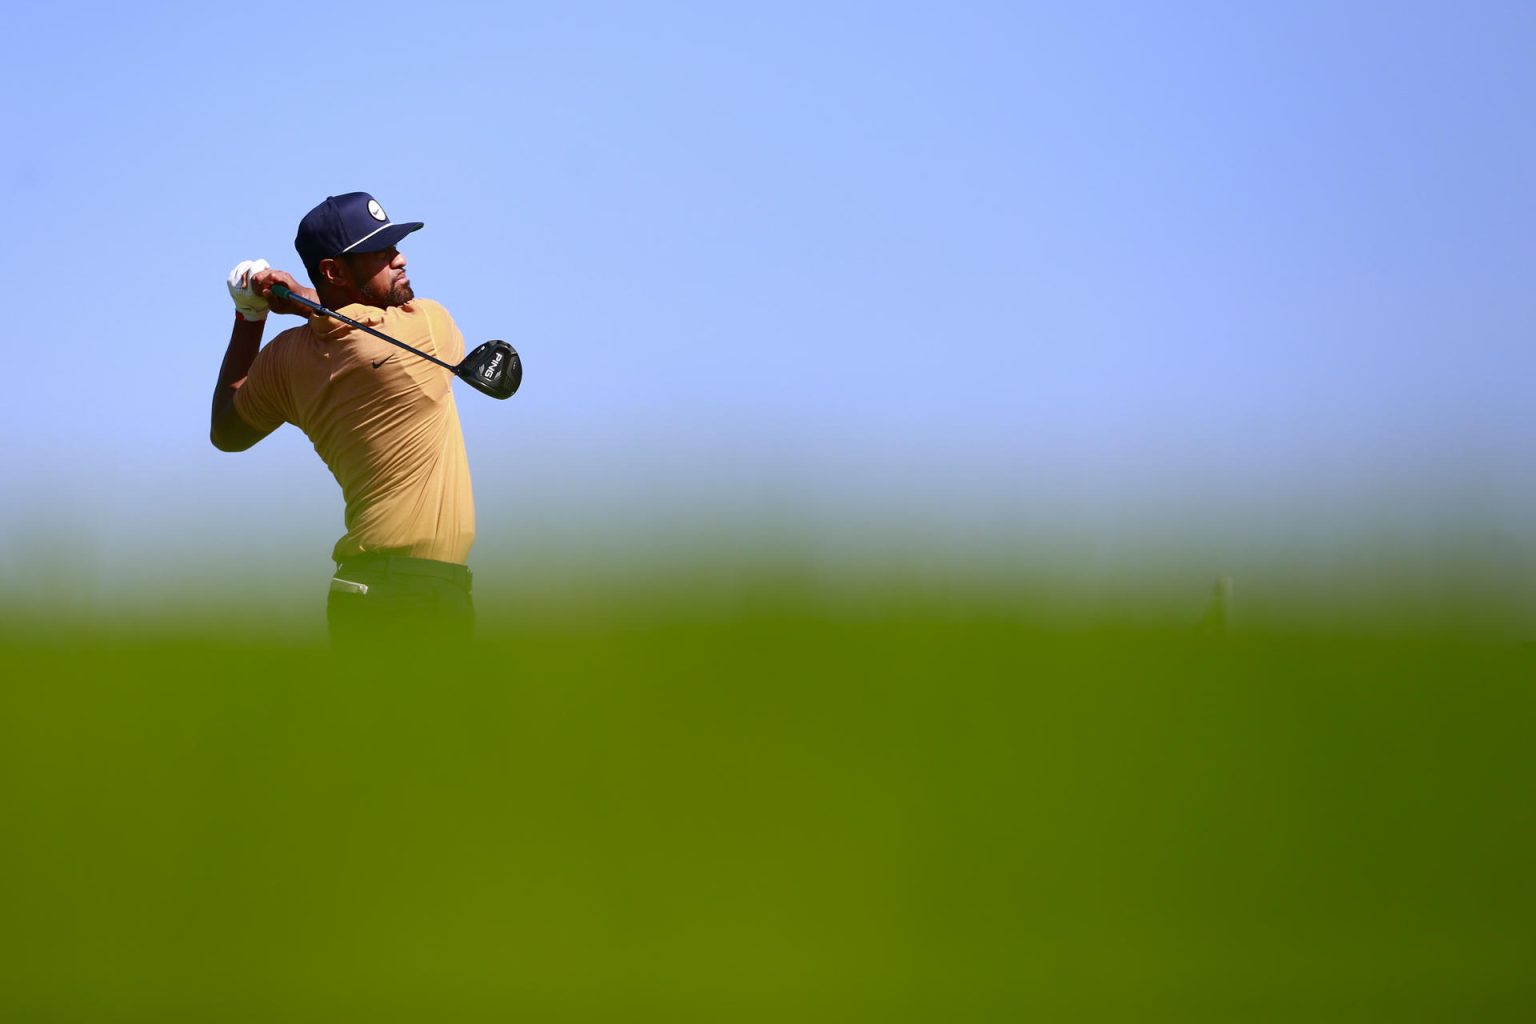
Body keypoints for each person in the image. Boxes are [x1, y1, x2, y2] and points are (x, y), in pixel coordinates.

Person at [211, 191, 477, 646]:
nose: (400, 258)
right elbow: (350, 326)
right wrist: (298, 299)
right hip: (411, 592)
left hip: (369, 589)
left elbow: (227, 431)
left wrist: (249, 315)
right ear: (333, 271)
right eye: (380, 252)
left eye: (394, 246)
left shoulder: (285, 360)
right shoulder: (426, 329)